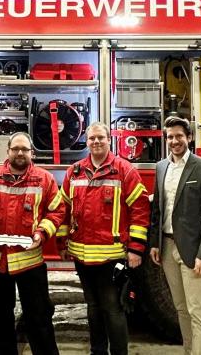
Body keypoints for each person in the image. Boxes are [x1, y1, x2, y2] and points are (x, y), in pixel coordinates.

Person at [0, 132, 66, 355]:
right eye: (15, 149)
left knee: (39, 319)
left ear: (32, 153)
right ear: (8, 151)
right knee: (1, 320)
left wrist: (42, 233)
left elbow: (57, 211)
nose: (20, 153)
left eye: (24, 149)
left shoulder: (44, 179)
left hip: (30, 264)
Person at [58, 121, 150, 355]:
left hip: (112, 256)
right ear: (86, 142)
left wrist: (136, 249)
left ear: (109, 140)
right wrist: (62, 243)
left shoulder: (124, 170)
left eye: (101, 137)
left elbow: (140, 210)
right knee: (92, 308)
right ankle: (97, 352)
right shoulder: (75, 171)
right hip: (81, 255)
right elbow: (63, 208)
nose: (96, 142)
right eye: (92, 138)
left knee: (113, 309)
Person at [149, 116, 201, 355]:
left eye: (179, 136)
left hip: (193, 251)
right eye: (170, 137)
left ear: (189, 137)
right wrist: (155, 244)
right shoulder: (161, 168)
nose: (174, 141)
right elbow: (158, 209)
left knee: (198, 311)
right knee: (181, 308)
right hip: (168, 248)